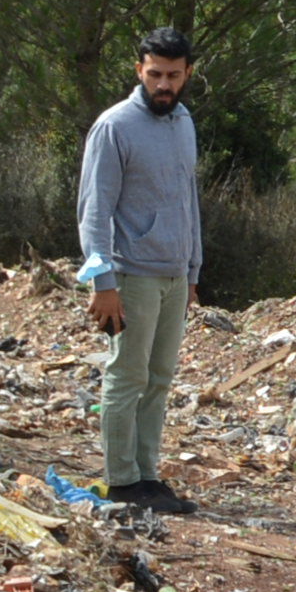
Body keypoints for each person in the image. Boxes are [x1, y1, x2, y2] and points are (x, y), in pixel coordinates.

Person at [75, 26, 203, 510]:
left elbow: (187, 199)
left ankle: (149, 477)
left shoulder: (183, 121)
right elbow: (93, 211)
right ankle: (122, 481)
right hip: (130, 275)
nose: (163, 85)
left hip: (173, 277)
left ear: (188, 73)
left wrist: (193, 271)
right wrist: (102, 283)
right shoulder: (114, 126)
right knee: (127, 378)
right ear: (139, 71)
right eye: (155, 75)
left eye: (173, 75)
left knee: (160, 378)